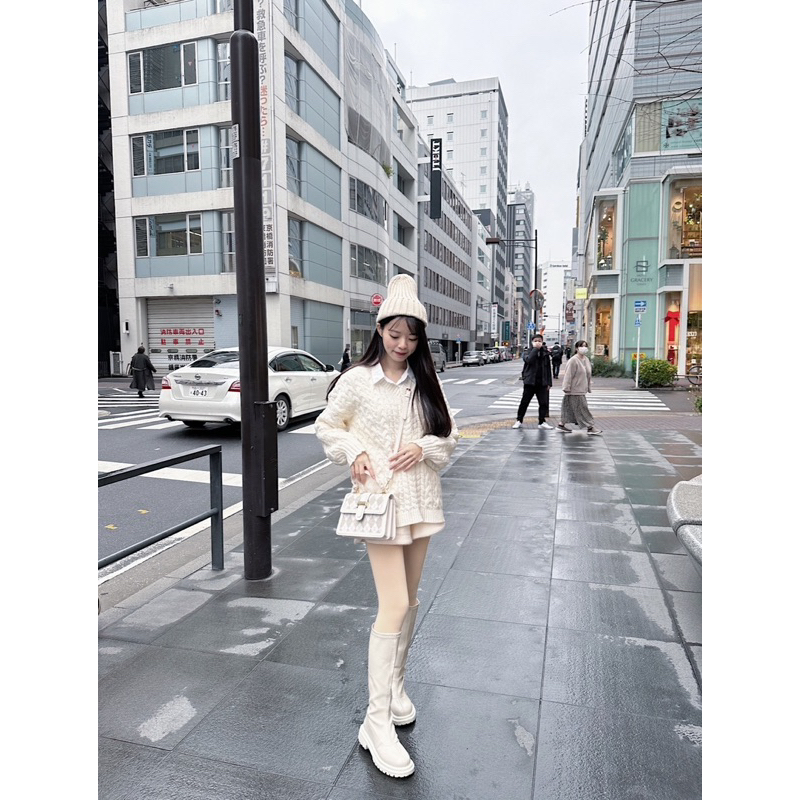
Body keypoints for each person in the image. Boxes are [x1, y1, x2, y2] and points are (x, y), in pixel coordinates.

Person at [315, 275, 459, 779]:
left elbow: (449, 437)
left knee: (410, 600)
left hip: (421, 500)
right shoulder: (357, 380)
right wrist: (353, 450)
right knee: (394, 603)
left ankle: (396, 686)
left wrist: (424, 446)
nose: (402, 344)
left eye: (411, 337)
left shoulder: (425, 381)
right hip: (378, 502)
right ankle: (376, 722)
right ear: (379, 330)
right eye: (395, 334)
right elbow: (327, 426)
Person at [556, 340, 602, 435]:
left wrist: (588, 386)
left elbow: (588, 374)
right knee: (583, 409)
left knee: (569, 408)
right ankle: (590, 427)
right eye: (582, 346)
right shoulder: (573, 360)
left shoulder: (586, 359)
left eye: (585, 346)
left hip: (581, 389)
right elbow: (568, 375)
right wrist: (566, 387)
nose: (584, 348)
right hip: (574, 389)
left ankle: (561, 425)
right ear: (577, 348)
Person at [513, 334, 553, 430]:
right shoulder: (527, 352)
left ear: (542, 342)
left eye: (539, 341)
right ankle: (519, 420)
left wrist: (549, 383)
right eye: (535, 341)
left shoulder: (545, 353)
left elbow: (548, 369)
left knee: (543, 403)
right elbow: (529, 360)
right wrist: (535, 349)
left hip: (542, 382)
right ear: (532, 342)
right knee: (524, 402)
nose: (538, 342)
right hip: (530, 381)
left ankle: (542, 421)